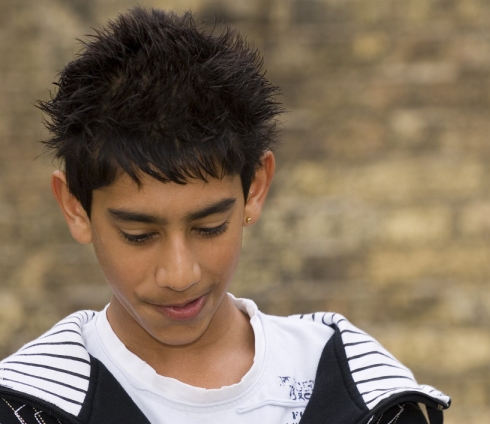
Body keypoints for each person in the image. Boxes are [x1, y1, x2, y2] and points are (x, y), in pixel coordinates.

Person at [0, 8, 450, 424]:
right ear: (75, 207)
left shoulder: (352, 384)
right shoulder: (28, 405)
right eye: (139, 234)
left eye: (209, 227)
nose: (180, 274)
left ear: (255, 187)